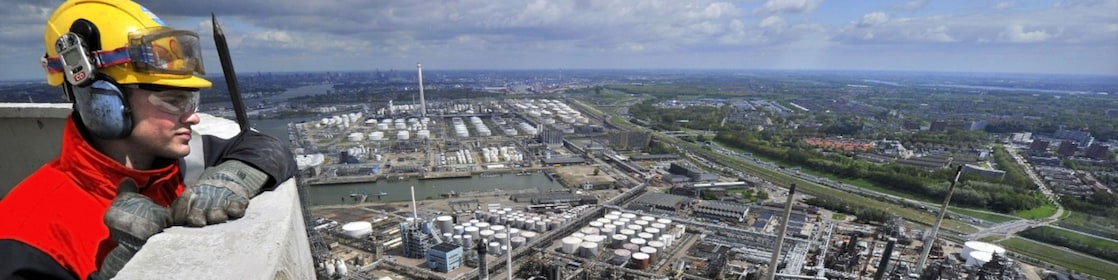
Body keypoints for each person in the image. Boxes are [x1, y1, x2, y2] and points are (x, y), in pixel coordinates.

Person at [0, 0, 297, 279]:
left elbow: (269, 148)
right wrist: (121, 269)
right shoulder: (24, 230)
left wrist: (234, 177)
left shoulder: (181, 163)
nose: (191, 117)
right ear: (103, 103)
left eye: (190, 102)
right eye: (172, 101)